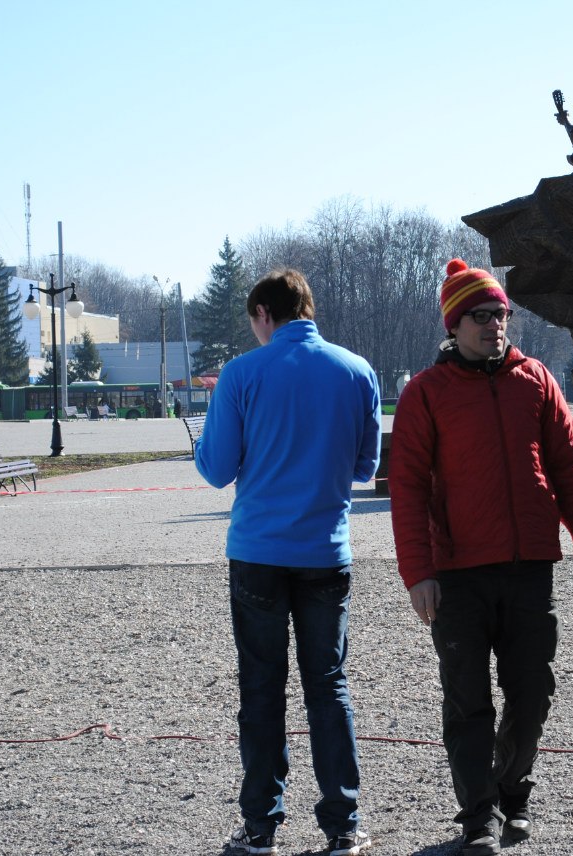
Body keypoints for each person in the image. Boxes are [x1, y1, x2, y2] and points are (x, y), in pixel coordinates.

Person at [389, 258, 573, 856]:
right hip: (457, 574)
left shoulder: (536, 379)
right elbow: (406, 487)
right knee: (468, 700)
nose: (495, 325)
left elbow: (569, 468)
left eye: (501, 314)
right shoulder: (425, 393)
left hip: (529, 566)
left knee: (532, 692)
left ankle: (513, 790)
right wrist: (419, 574)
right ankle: (479, 813)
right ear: (454, 325)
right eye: (481, 316)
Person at [195, 269, 379, 856]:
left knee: (261, 689)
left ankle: (260, 827)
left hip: (259, 552)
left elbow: (216, 468)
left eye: (254, 322)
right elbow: (364, 467)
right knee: (329, 687)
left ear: (264, 314)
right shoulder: (357, 370)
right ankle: (342, 824)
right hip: (326, 550)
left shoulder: (243, 374)